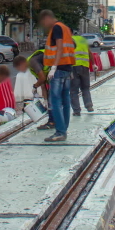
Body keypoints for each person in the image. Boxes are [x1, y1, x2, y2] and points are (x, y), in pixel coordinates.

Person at [39, 9, 75, 142]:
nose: (44, 25)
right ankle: (63, 129)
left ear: (47, 18)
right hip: (67, 67)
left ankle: (60, 131)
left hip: (59, 69)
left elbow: (59, 48)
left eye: (44, 22)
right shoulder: (65, 28)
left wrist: (53, 67)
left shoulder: (57, 28)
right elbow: (72, 46)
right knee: (65, 100)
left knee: (55, 100)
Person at [12, 50, 55, 130]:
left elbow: (42, 78)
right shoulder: (32, 69)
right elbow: (43, 85)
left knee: (53, 99)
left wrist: (35, 86)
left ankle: (52, 122)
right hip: (54, 74)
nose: (20, 71)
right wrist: (45, 101)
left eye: (19, 68)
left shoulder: (32, 62)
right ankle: (53, 120)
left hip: (57, 70)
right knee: (51, 99)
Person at [71, 33, 93, 116]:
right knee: (85, 88)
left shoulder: (69, 40)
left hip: (74, 67)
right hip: (85, 66)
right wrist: (93, 64)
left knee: (73, 90)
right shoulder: (83, 40)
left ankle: (76, 111)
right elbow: (90, 53)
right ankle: (89, 106)